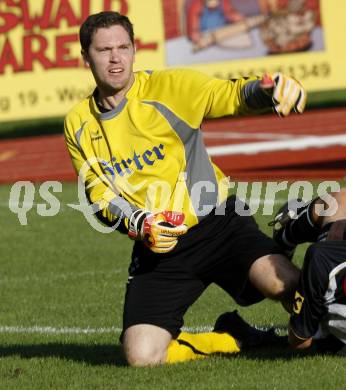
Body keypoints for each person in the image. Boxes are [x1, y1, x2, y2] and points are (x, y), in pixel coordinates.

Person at [64, 11, 306, 366]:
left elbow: (230, 94)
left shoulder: (169, 88)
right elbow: (98, 194)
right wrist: (140, 225)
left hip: (220, 223)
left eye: (123, 47)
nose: (116, 58)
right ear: (86, 58)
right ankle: (230, 337)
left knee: (284, 285)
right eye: (104, 50)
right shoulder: (78, 124)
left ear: (134, 50)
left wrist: (269, 91)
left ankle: (328, 332)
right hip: (159, 246)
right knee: (141, 356)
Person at [271, 188, 346, 354]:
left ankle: (286, 234)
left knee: (337, 200)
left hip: (332, 334)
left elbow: (299, 341)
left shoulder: (322, 256)